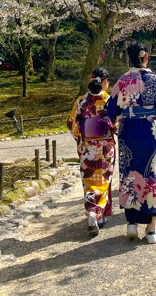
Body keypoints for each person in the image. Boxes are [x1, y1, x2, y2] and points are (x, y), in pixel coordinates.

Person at [105, 41, 156, 244]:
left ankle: (131, 224)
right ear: (146, 57)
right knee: (152, 174)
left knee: (129, 175)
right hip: (151, 132)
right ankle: (151, 228)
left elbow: (111, 110)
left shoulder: (122, 81)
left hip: (128, 131)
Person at [67, 66, 115, 237]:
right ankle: (96, 214)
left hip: (87, 147)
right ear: (104, 82)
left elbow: (71, 123)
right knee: (103, 181)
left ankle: (92, 214)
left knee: (89, 181)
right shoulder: (109, 101)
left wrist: (82, 141)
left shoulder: (81, 101)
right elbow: (116, 125)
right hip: (105, 147)